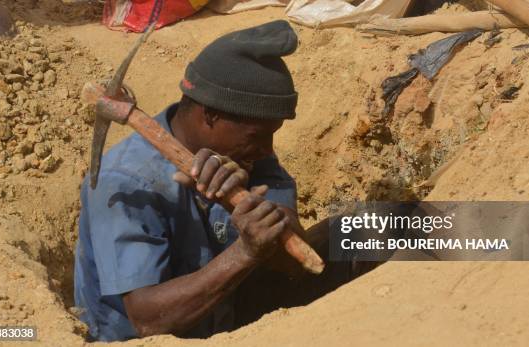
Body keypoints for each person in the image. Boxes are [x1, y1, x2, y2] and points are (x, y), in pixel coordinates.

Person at [74, 20, 372, 342]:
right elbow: (147, 320)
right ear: (210, 115)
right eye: (257, 135)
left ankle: (424, 281)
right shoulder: (127, 182)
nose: (268, 149)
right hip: (154, 336)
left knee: (373, 227)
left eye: (272, 135)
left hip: (226, 314)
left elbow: (296, 263)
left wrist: (255, 213)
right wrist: (245, 251)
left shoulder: (252, 155)